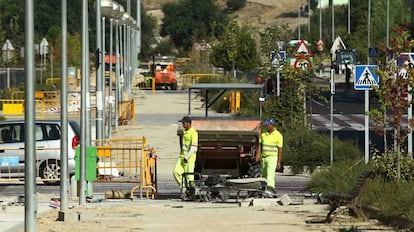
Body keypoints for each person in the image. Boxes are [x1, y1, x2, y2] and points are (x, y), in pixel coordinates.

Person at [256, 117, 283, 197]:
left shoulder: (278, 136)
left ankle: (271, 191)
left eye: (267, 125)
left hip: (272, 158)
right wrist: (258, 153)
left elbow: (280, 149)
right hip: (264, 158)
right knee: (264, 175)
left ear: (272, 125)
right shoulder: (264, 134)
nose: (266, 127)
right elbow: (260, 144)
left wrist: (279, 161)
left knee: (270, 175)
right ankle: (264, 190)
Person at [173, 116, 198, 189]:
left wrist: (187, 157)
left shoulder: (193, 133)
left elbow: (193, 147)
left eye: (183, 123)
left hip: (189, 159)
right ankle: (184, 188)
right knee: (176, 172)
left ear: (188, 123)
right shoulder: (185, 132)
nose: (182, 125)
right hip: (182, 157)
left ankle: (192, 191)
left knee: (189, 177)